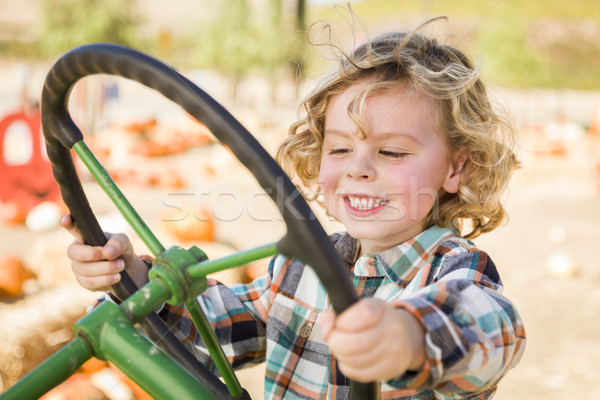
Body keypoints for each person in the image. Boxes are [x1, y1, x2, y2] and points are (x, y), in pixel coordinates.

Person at [62, 18, 525, 400]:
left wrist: (405, 338)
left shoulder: (454, 270)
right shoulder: (305, 263)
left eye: (393, 153)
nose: (358, 169)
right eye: (340, 149)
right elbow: (216, 327)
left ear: (455, 169)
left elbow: (495, 330)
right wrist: (132, 278)